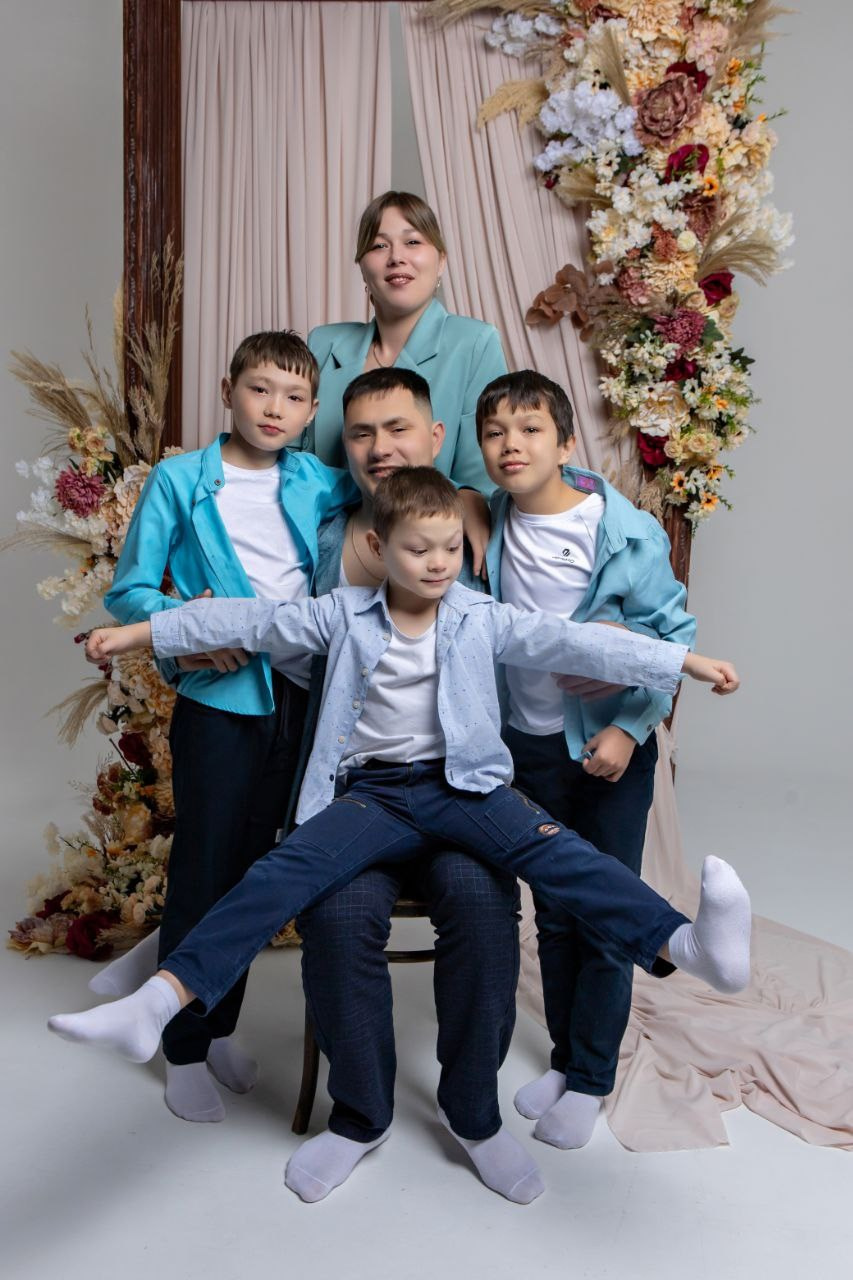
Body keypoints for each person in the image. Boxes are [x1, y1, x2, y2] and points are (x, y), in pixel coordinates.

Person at [49, 469, 751, 1200]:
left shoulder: (481, 616)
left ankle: (683, 946)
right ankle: (163, 1002)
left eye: (449, 547)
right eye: (419, 550)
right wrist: (133, 634)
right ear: (378, 548)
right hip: (373, 796)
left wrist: (684, 663)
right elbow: (242, 620)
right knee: (277, 875)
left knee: (561, 854)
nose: (439, 563)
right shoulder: (340, 615)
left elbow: (577, 644)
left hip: (464, 788)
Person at [100, 330, 357, 1123]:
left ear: (311, 412)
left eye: (293, 397)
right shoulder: (181, 480)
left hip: (298, 699)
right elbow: (130, 591)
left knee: (256, 876)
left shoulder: (318, 481)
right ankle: (180, 1048)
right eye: (259, 389)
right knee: (205, 867)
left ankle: (217, 1028)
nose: (274, 408)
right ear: (227, 391)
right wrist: (187, 627)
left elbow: (395, 496)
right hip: (220, 701)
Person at [289, 368, 523, 1203]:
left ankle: (475, 1113)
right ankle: (359, 1115)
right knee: (338, 916)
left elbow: (559, 501)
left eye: (397, 429)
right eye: (361, 433)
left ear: (434, 437)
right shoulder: (322, 530)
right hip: (362, 791)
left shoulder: (484, 519)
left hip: (459, 792)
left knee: (484, 908)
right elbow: (274, 628)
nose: (379, 447)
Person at [479, 370, 697, 1151]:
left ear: (566, 442)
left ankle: (593, 1077)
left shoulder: (621, 531)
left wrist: (629, 729)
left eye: (530, 429)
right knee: (555, 914)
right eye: (494, 433)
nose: (511, 445)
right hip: (527, 747)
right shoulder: (489, 521)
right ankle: (567, 1058)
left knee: (604, 915)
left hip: (608, 748)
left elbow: (673, 641)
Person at [306, 190, 506, 554]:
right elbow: (288, 465)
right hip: (326, 547)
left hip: (430, 549)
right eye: (379, 246)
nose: (396, 257)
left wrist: (470, 498)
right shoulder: (323, 344)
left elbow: (483, 474)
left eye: (413, 242)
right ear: (362, 266)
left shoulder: (474, 343)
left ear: (441, 260)